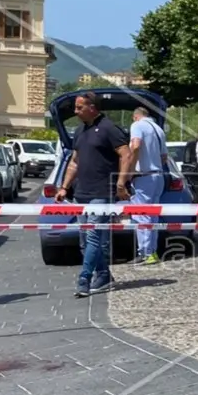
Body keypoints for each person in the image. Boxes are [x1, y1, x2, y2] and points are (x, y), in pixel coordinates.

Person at [55, 92, 131, 297]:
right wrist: (64, 187)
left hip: (102, 192)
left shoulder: (109, 128)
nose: (75, 111)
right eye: (75, 107)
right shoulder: (80, 131)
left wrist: (121, 182)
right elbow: (74, 161)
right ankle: (104, 274)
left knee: (93, 237)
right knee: (84, 241)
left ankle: (84, 279)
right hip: (81, 193)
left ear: (92, 108)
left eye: (79, 107)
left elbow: (126, 154)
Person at [127, 106, 168, 265]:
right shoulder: (159, 129)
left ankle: (144, 253)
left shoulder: (137, 125)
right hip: (158, 176)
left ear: (135, 116)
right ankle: (153, 252)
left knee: (141, 214)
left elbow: (136, 145)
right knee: (153, 215)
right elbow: (164, 157)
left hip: (144, 177)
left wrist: (131, 170)